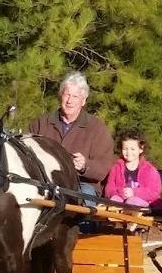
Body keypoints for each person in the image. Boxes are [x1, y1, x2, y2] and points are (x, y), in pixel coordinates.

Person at [29, 71, 114, 202]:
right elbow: (25, 152)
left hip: (81, 185)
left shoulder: (97, 129)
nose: (69, 101)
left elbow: (104, 168)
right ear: (61, 96)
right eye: (67, 94)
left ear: (83, 101)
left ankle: (86, 223)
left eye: (75, 96)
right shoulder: (41, 123)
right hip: (45, 182)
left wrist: (85, 165)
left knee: (84, 197)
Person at [104, 129, 162, 208]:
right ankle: (116, 219)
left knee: (132, 201)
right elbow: (109, 188)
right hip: (121, 201)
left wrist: (134, 193)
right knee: (114, 200)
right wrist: (119, 193)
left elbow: (154, 192)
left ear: (141, 149)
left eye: (132, 149)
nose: (128, 152)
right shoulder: (116, 168)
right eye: (125, 149)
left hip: (143, 204)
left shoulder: (149, 170)